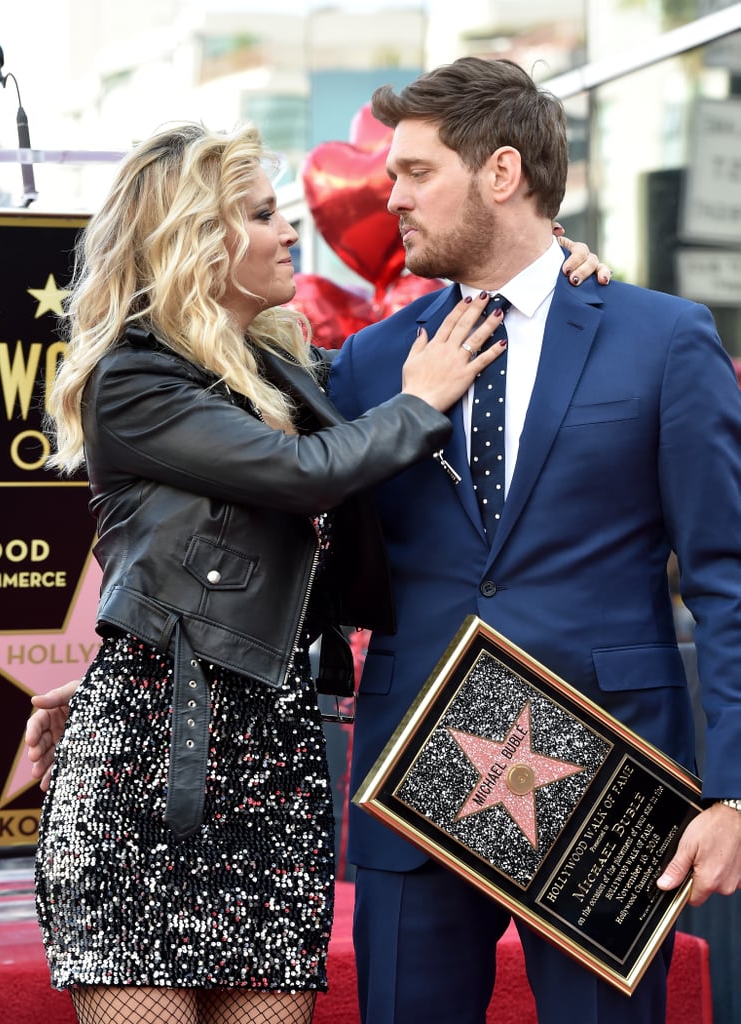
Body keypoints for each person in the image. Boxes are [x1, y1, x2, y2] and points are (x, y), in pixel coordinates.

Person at [28, 117, 604, 1024]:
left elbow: (356, 421)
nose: (290, 230)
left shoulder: (284, 369)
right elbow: (307, 475)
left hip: (278, 756)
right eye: (262, 214)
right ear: (196, 240)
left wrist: (546, 265)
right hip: (152, 765)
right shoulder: (132, 381)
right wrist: (419, 403)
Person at [326, 58, 741, 1024]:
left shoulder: (664, 339)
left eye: (416, 173)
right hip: (411, 769)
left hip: (606, 775)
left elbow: (728, 579)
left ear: (502, 172)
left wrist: (734, 795)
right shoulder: (374, 362)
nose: (389, 197)